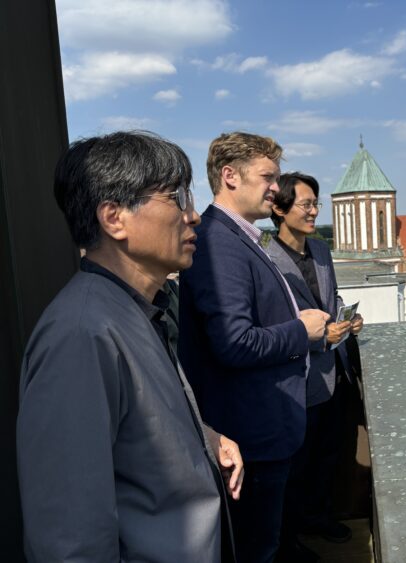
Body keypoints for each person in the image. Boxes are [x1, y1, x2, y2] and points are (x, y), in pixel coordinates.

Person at [16, 131, 244, 563]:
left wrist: (204, 438)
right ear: (114, 218)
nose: (193, 215)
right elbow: (70, 542)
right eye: (176, 197)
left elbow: (135, 429)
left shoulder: (138, 308)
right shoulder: (82, 334)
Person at [178, 133, 330, 563]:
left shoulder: (237, 236)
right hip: (250, 439)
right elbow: (234, 342)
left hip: (260, 433)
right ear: (229, 176)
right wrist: (302, 331)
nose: (275, 188)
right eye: (267, 176)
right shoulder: (218, 242)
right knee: (254, 550)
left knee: (265, 543)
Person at [265, 172, 363, 562]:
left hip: (332, 376)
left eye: (315, 204)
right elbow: (274, 326)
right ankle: (289, 541)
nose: (314, 212)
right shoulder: (266, 257)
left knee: (326, 456)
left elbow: (332, 298)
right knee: (295, 468)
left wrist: (347, 321)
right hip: (294, 381)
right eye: (306, 205)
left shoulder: (321, 250)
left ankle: (317, 519)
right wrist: (322, 336)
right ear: (279, 209)